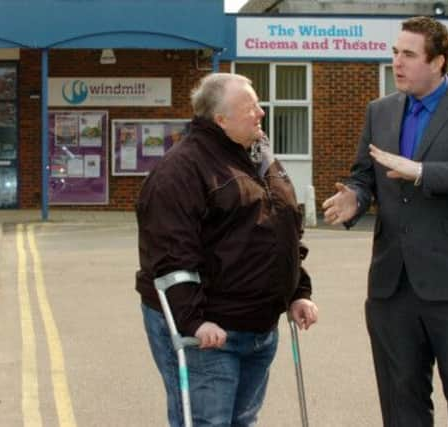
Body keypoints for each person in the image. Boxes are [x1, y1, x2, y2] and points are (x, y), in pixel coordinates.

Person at [322, 16, 448, 427]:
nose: (397, 62)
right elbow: (364, 173)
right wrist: (355, 196)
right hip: (392, 286)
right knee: (400, 402)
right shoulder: (381, 111)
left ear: (439, 61)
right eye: (395, 52)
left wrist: (423, 172)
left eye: (408, 54)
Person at [136, 72, 318, 427]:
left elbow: (283, 229)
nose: (261, 113)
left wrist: (298, 291)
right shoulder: (181, 170)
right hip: (209, 331)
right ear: (220, 119)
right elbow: (170, 255)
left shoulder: (261, 156)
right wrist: (195, 322)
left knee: (243, 420)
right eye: (250, 107)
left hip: (259, 327)